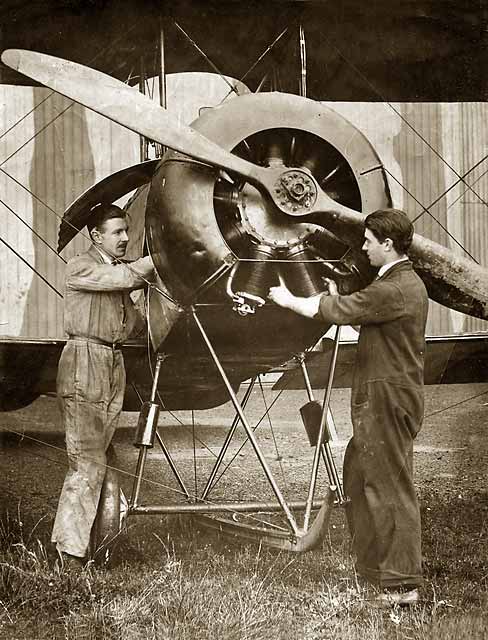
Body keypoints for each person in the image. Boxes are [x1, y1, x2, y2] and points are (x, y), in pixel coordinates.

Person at [268, 208, 428, 607]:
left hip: (386, 399)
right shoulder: (393, 286)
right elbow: (361, 317)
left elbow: (335, 312)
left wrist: (287, 299)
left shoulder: (393, 287)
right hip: (384, 397)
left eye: (369, 241)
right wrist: (339, 297)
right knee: (359, 475)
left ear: (388, 244)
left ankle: (402, 585)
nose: (363, 247)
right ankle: (376, 570)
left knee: (388, 486)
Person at [52, 203, 154, 568]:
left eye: (127, 231)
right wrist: (163, 259)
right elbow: (122, 279)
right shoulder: (81, 266)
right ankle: (69, 556)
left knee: (97, 455)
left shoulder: (117, 272)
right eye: (117, 232)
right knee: (86, 459)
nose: (126, 238)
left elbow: (136, 326)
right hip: (85, 360)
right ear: (96, 236)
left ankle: (90, 542)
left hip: (112, 361)